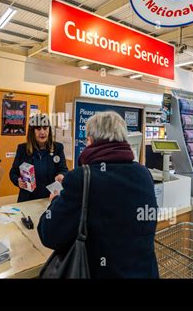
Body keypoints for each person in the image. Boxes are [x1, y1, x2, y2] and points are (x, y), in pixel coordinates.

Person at [38, 111, 159, 278]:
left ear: (91, 141)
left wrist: (56, 200)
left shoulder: (82, 178)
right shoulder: (144, 174)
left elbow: (49, 235)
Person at [9, 114, 68, 202]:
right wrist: (18, 181)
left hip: (51, 198)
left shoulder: (58, 148)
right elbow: (13, 173)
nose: (42, 132)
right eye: (38, 129)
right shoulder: (22, 149)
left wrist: (61, 175)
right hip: (28, 199)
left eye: (45, 128)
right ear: (32, 131)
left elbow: (63, 169)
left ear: (49, 130)